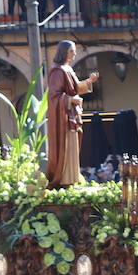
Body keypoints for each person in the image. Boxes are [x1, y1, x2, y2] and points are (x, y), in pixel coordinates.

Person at [45, 40, 98, 189]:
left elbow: (74, 88)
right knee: (66, 146)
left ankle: (73, 178)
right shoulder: (57, 71)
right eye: (71, 51)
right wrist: (70, 100)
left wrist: (89, 81)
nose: (74, 54)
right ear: (63, 52)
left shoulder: (68, 69)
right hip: (64, 117)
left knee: (73, 147)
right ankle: (64, 179)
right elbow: (54, 96)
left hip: (72, 115)